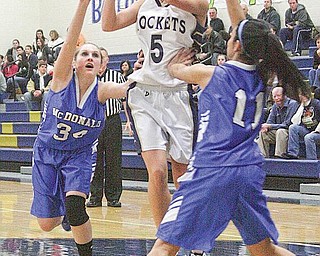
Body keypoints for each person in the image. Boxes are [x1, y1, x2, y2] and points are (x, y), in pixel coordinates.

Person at [147, 0, 304, 255]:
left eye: (231, 36)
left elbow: (173, 70)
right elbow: (241, 26)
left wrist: (179, 61)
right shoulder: (263, 77)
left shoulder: (211, 74)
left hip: (212, 169)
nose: (228, 37)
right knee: (264, 249)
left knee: (165, 245)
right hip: (247, 172)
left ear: (237, 45)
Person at [30, 1, 129, 256]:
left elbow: (130, 88)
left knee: (76, 208)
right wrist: (84, 4)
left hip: (79, 156)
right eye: (84, 53)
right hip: (47, 153)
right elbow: (72, 37)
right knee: (47, 224)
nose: (90, 57)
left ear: (101, 66)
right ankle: (61, 207)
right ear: (74, 62)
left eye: (95, 55)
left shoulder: (103, 91)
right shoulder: (62, 78)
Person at [101, 0, 208, 227]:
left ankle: (193, 238)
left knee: (183, 174)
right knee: (157, 171)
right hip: (145, 92)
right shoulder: (144, 4)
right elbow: (109, 25)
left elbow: (198, 7)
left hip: (179, 91)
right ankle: (164, 240)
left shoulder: (197, 3)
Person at [86, 47, 128, 208]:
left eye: (102, 57)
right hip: (93, 123)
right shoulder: (89, 78)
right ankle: (95, 196)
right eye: (98, 57)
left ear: (107, 60)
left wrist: (130, 121)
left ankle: (113, 197)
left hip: (112, 121)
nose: (100, 60)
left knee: (114, 160)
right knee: (95, 160)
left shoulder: (117, 76)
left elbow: (125, 100)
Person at [257, 86, 299, 158]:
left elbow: (287, 124)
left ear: (284, 95)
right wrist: (266, 127)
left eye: (278, 95)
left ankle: (279, 156)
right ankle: (263, 157)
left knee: (281, 131)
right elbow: (269, 122)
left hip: (290, 131)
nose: (276, 98)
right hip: (277, 131)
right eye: (274, 96)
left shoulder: (293, 104)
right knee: (262, 132)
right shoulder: (275, 106)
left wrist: (270, 126)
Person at [282, 86, 320, 160]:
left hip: (317, 131)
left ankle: (311, 161)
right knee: (293, 127)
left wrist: (316, 131)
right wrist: (302, 106)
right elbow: (294, 121)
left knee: (308, 137)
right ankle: (293, 153)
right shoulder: (298, 105)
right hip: (307, 129)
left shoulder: (316, 103)